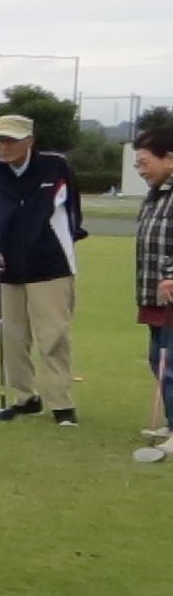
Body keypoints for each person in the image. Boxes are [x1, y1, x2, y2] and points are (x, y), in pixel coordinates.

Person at [0, 113, 85, 426]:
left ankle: (62, 403)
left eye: (10, 140)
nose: (3, 147)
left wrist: (66, 244)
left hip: (50, 264)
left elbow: (71, 213)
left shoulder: (54, 167)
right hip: (8, 265)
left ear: (29, 141)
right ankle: (25, 398)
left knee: (53, 334)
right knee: (13, 337)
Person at [131, 128, 173, 439]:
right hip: (154, 293)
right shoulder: (156, 195)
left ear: (169, 158)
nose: (140, 170)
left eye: (144, 163)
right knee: (158, 359)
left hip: (170, 291)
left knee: (170, 363)